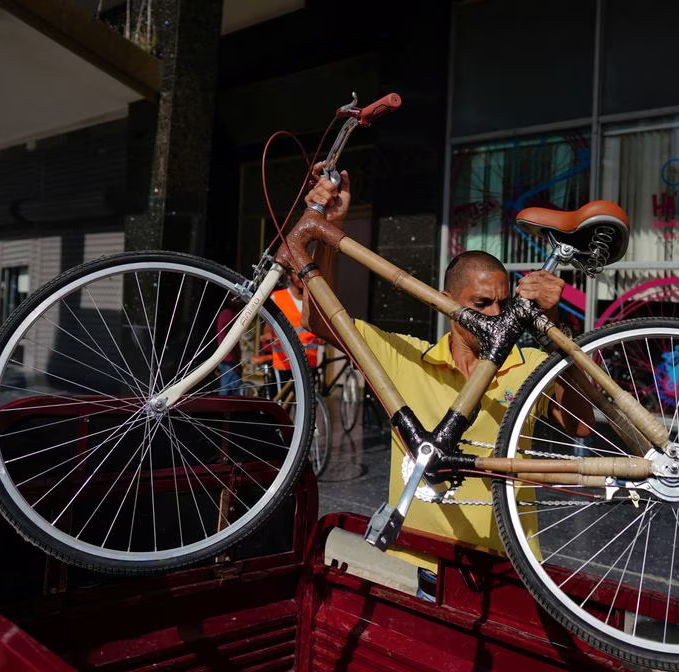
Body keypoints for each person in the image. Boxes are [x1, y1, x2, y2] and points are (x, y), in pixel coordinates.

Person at [300, 166, 591, 600]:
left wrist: (554, 322)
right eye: (480, 303)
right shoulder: (407, 358)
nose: (494, 314)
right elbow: (320, 320)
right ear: (449, 302)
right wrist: (330, 230)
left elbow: (582, 424)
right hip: (428, 565)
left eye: (502, 302)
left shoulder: (528, 362)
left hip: (513, 568)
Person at [215, 298, 243, 396]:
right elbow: (230, 339)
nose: (238, 300)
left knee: (228, 388)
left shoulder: (227, 313)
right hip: (229, 359)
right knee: (229, 389)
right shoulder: (227, 314)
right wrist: (236, 363)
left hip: (227, 359)